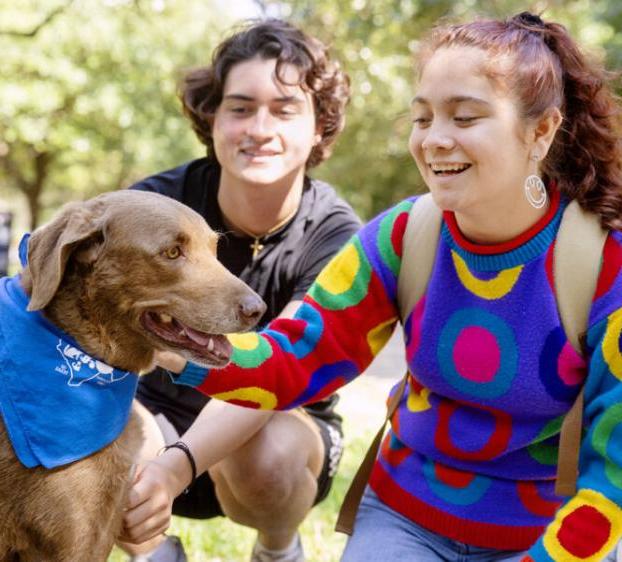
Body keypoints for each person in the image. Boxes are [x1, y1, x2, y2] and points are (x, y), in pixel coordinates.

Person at [152, 11, 622, 562]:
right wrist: (186, 345)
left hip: (551, 535)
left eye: (465, 117)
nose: (434, 141)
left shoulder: (603, 263)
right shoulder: (403, 236)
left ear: (541, 131)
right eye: (423, 119)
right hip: (406, 518)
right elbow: (295, 358)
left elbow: (613, 474)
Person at [119, 19, 360, 562]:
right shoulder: (152, 207)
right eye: (241, 107)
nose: (260, 127)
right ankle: (154, 553)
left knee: (266, 459)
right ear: (213, 118)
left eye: (284, 108)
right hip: (155, 417)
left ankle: (278, 548)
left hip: (277, 429)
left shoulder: (338, 234)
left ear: (319, 126)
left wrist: (175, 466)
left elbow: (285, 363)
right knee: (100, 432)